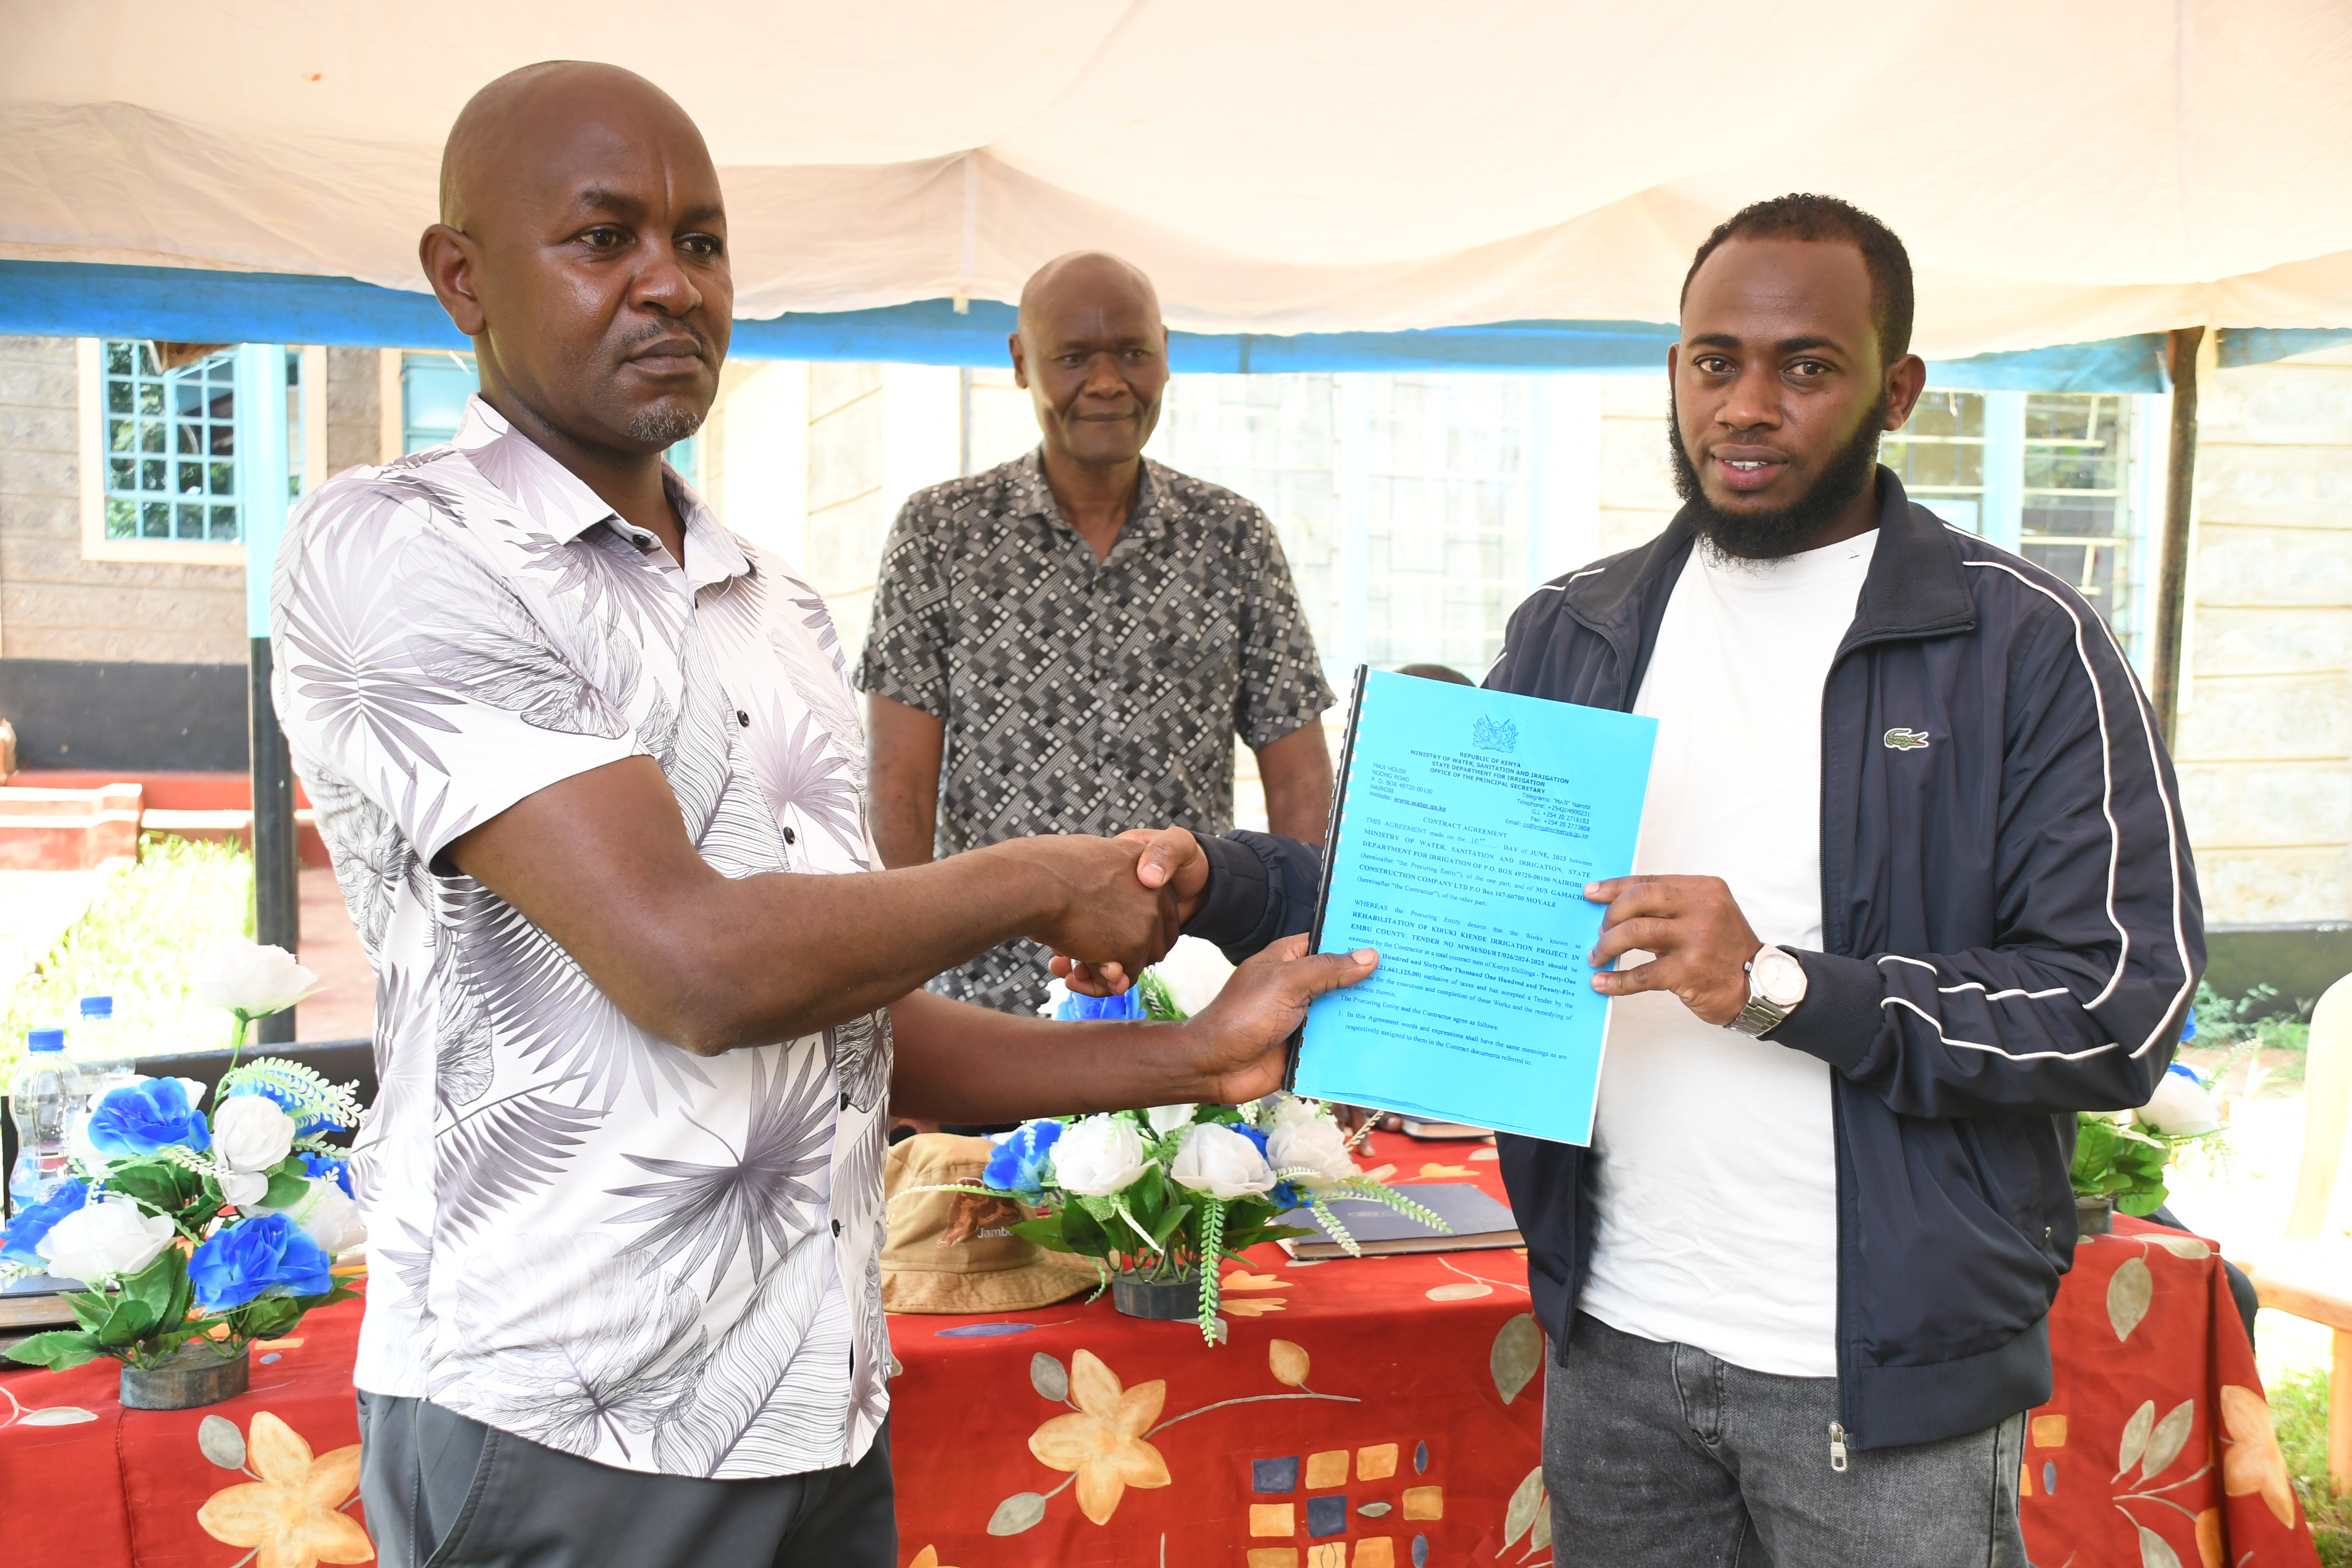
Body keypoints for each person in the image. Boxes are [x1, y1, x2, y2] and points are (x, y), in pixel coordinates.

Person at [269, 62, 1374, 1568]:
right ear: (462, 279)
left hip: (813, 1407)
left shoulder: (769, 597)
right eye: (605, 240)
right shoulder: (403, 544)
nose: (669, 283)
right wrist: (1043, 879)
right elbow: (697, 965)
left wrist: (1190, 1051)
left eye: (704, 243)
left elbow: (863, 1020)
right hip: (567, 1420)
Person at [1079, 194, 2202, 1566]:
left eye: (1807, 367)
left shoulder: (2025, 643)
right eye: (1715, 360)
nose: (1749, 405)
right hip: (1617, 1358)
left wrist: (1783, 986)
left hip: (1880, 1389)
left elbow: (2121, 1007)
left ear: (1896, 390)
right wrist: (1219, 887)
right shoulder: (1579, 628)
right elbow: (1434, 902)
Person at [856, 251, 1335, 1018]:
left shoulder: (1232, 537)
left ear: (1167, 355)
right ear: (1022, 363)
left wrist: (1314, 975)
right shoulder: (941, 534)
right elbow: (897, 784)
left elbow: (1303, 780)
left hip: (1183, 1004)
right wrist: (893, 995)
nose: (1108, 382)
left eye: (1133, 354)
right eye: (1074, 357)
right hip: (984, 1011)